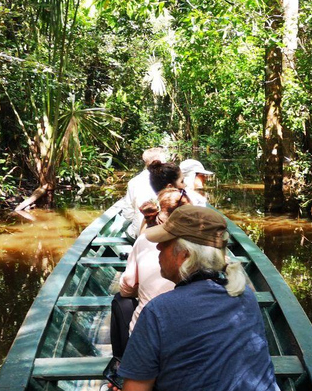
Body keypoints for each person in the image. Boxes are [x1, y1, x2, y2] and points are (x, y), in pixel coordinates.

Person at [114, 205, 279, 391]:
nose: (158, 247)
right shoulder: (245, 294)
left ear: (185, 255)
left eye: (165, 243)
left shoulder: (158, 310)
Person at [110, 187, 191, 357]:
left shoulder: (145, 240)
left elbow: (127, 288)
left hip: (150, 339)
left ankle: (120, 363)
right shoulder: (201, 244)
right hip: (187, 339)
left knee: (121, 300)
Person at [121, 148, 168, 240]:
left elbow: (128, 214)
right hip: (164, 233)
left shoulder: (134, 182)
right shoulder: (169, 178)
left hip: (139, 233)